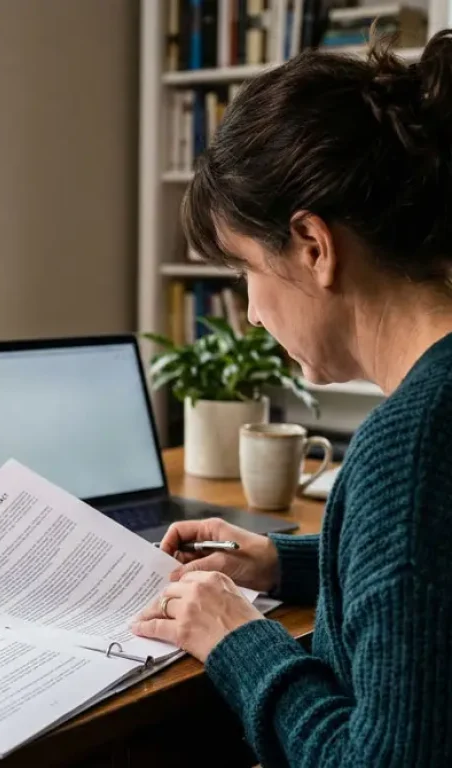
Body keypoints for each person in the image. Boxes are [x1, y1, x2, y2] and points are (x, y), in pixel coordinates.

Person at [130, 28, 452, 768]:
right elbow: (428, 589)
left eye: (244, 270)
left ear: (313, 244)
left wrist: (240, 642)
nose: (250, 313)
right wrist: (283, 563)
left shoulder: (410, 453)